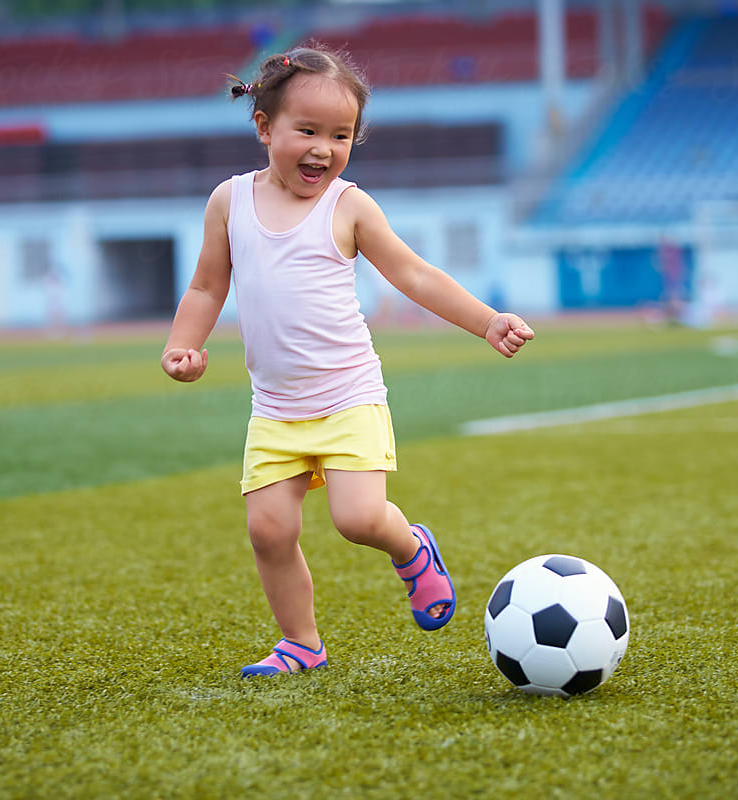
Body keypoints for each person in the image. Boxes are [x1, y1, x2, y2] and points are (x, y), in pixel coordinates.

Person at [161, 46, 534, 677]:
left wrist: (486, 320)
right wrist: (183, 344)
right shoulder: (229, 202)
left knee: (358, 519)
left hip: (348, 397)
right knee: (269, 533)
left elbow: (413, 274)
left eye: (341, 136)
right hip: (276, 409)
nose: (323, 149)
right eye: (306, 131)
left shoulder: (349, 207)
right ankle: (301, 643)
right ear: (264, 127)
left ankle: (412, 548)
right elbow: (206, 285)